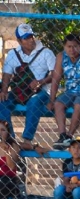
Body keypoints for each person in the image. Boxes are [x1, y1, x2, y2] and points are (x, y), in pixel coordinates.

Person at [0, 23, 56, 154]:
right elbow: (7, 75)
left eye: (31, 36)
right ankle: (10, 138)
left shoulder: (46, 53)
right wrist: (3, 90)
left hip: (41, 91)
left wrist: (41, 81)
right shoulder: (13, 54)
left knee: (34, 102)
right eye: (26, 37)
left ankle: (27, 139)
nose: (31, 39)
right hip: (19, 91)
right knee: (2, 102)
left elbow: (56, 74)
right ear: (19, 41)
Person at [48, 34, 80, 150]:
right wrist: (52, 100)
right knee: (58, 104)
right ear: (64, 47)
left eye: (75, 46)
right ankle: (62, 135)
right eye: (69, 46)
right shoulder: (61, 57)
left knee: (78, 105)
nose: (72, 49)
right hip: (70, 91)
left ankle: (69, 136)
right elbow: (55, 79)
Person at [0, 120, 21, 199]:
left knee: (3, 182)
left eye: (2, 130)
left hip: (8, 179)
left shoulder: (13, 146)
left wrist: (6, 151)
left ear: (7, 132)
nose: (0, 132)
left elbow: (11, 167)